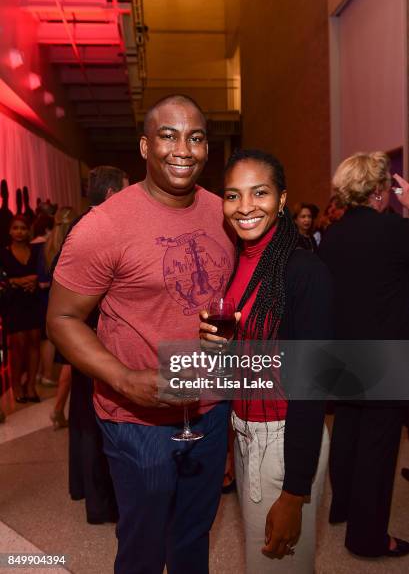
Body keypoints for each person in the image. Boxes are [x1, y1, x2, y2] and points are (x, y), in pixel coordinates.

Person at [47, 95, 235, 574]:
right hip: (136, 421)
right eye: (168, 136)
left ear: (207, 150)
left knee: (194, 537)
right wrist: (125, 378)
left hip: (209, 409)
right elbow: (62, 320)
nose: (183, 149)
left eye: (195, 137)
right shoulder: (103, 226)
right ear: (145, 146)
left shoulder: (225, 214)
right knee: (143, 547)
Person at [200, 149, 332, 573]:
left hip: (285, 440)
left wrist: (295, 492)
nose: (245, 207)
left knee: (278, 566)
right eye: (233, 195)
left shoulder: (303, 271)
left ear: (281, 199)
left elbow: (312, 385)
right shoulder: (244, 262)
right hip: (247, 433)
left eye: (259, 193)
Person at [319, 152, 409, 558]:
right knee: (378, 444)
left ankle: (342, 508)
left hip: (341, 350)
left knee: (348, 430)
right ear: (378, 190)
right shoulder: (394, 230)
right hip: (384, 354)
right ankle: (368, 536)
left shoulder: (332, 235)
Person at [60, 165, 128, 524]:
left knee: (85, 418)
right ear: (112, 195)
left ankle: (84, 488)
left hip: (83, 339)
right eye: (127, 192)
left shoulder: (82, 225)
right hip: (93, 339)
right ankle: (102, 504)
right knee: (96, 419)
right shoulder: (95, 230)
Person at [37, 207, 77, 427]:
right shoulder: (71, 245)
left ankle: (59, 410)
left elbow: (41, 281)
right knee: (70, 364)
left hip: (51, 308)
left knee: (66, 362)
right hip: (72, 312)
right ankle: (58, 409)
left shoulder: (48, 245)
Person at [0, 215, 41, 403]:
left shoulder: (37, 251)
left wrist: (36, 281)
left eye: (23, 228)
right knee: (17, 346)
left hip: (33, 302)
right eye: (15, 228)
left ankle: (31, 385)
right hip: (13, 305)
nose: (19, 232)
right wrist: (17, 281)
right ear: (10, 231)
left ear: (28, 231)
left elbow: (44, 274)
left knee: (34, 344)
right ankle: (16, 386)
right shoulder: (3, 253)